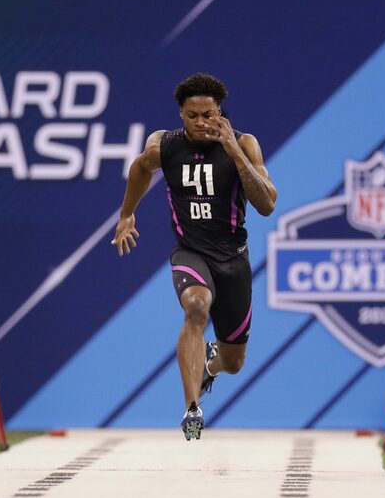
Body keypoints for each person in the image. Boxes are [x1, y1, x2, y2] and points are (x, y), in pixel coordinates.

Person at [111, 73, 277, 440]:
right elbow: (140, 167)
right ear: (181, 114)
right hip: (190, 252)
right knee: (196, 307)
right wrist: (127, 214)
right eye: (192, 115)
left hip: (233, 258)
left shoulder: (245, 143)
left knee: (234, 363)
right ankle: (191, 408)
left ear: (221, 113)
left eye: (209, 114)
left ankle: (211, 367)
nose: (201, 123)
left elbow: (266, 203)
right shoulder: (163, 145)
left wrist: (232, 150)